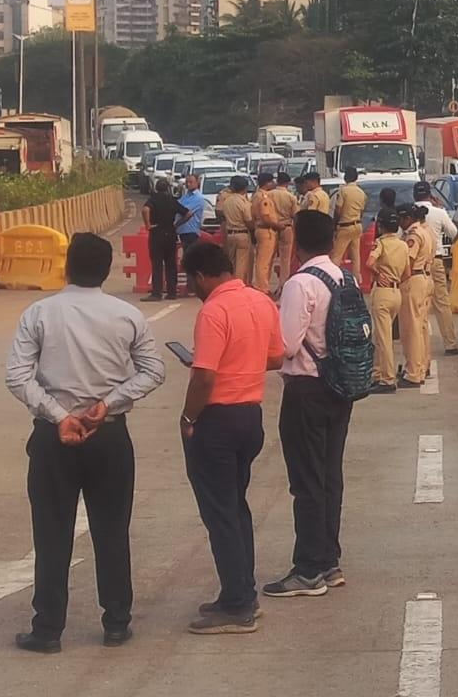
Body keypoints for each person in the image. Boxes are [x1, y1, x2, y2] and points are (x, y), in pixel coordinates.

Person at [5, 233, 166, 653]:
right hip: (109, 433)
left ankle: (47, 629)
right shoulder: (126, 315)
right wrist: (107, 404)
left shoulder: (39, 313)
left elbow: (17, 376)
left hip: (53, 438)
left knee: (51, 531)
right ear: (106, 269)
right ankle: (116, 621)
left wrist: (60, 416)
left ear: (66, 266)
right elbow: (153, 371)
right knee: (112, 529)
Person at [179, 242, 284, 635]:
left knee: (220, 513)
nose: (194, 289)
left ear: (203, 276)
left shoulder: (214, 311)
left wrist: (189, 417)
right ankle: (240, 592)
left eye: (193, 281)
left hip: (217, 419)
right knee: (235, 508)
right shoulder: (259, 301)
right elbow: (277, 356)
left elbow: (204, 376)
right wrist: (242, 360)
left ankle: (238, 604)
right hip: (249, 416)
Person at [266, 209, 354, 598]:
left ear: (297, 242)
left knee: (306, 481)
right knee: (330, 475)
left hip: (306, 389)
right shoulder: (342, 276)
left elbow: (286, 345)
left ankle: (307, 569)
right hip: (340, 386)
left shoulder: (301, 284)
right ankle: (329, 560)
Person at [366, 201, 409, 393]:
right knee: (383, 336)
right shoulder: (403, 245)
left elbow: (369, 262)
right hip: (396, 291)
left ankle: (387, 379)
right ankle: (378, 373)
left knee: (383, 339)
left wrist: (378, 273)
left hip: (382, 292)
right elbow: (407, 273)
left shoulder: (381, 243)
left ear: (381, 226)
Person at [415, 182, 458, 356]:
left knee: (417, 305)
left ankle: (419, 344)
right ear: (430, 195)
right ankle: (450, 344)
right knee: (442, 303)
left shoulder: (408, 212)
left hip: (415, 264)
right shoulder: (439, 212)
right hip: (436, 260)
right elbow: (453, 233)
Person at [397, 203, 435, 389]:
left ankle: (413, 373)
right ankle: (422, 365)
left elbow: (407, 263)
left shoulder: (413, 235)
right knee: (420, 327)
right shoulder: (426, 231)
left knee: (411, 329)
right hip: (426, 277)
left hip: (414, 280)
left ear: (408, 219)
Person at [142, 178, 191, 301]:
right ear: (168, 188)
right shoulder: (172, 200)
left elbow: (145, 209)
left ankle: (157, 293)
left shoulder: (153, 199)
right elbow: (189, 213)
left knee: (157, 264)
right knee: (171, 264)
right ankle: (172, 292)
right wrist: (177, 224)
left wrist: (148, 224)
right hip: (170, 233)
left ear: (156, 188)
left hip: (156, 233)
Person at [251, 173, 284, 294]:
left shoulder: (256, 196)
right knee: (264, 261)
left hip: (261, 229)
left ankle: (264, 285)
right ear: (267, 183)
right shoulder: (263, 197)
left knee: (266, 260)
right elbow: (265, 216)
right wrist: (277, 225)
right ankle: (262, 287)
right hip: (266, 230)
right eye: (272, 181)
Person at [332, 167, 367, 270]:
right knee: (356, 256)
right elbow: (362, 211)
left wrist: (334, 224)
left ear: (345, 177)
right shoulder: (361, 192)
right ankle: (357, 279)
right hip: (357, 225)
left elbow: (338, 209)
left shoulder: (343, 191)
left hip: (345, 226)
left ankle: (332, 279)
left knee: (336, 256)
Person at [220, 176, 254, 283]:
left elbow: (222, 216)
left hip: (230, 233)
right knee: (241, 264)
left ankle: (230, 283)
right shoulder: (244, 203)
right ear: (245, 188)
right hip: (242, 233)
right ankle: (238, 286)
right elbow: (248, 220)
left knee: (232, 263)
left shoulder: (226, 201)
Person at [272, 172, 300, 280]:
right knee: (285, 258)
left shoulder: (269, 195)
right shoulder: (291, 197)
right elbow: (295, 215)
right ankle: (283, 283)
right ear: (287, 183)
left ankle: (266, 283)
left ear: (277, 181)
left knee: (268, 257)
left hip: (271, 227)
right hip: (286, 227)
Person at [177, 174, 205, 252]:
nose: (188, 184)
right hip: (183, 231)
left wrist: (176, 225)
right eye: (187, 182)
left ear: (197, 182)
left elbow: (186, 213)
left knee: (191, 257)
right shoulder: (185, 196)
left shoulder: (198, 198)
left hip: (191, 232)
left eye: (191, 182)